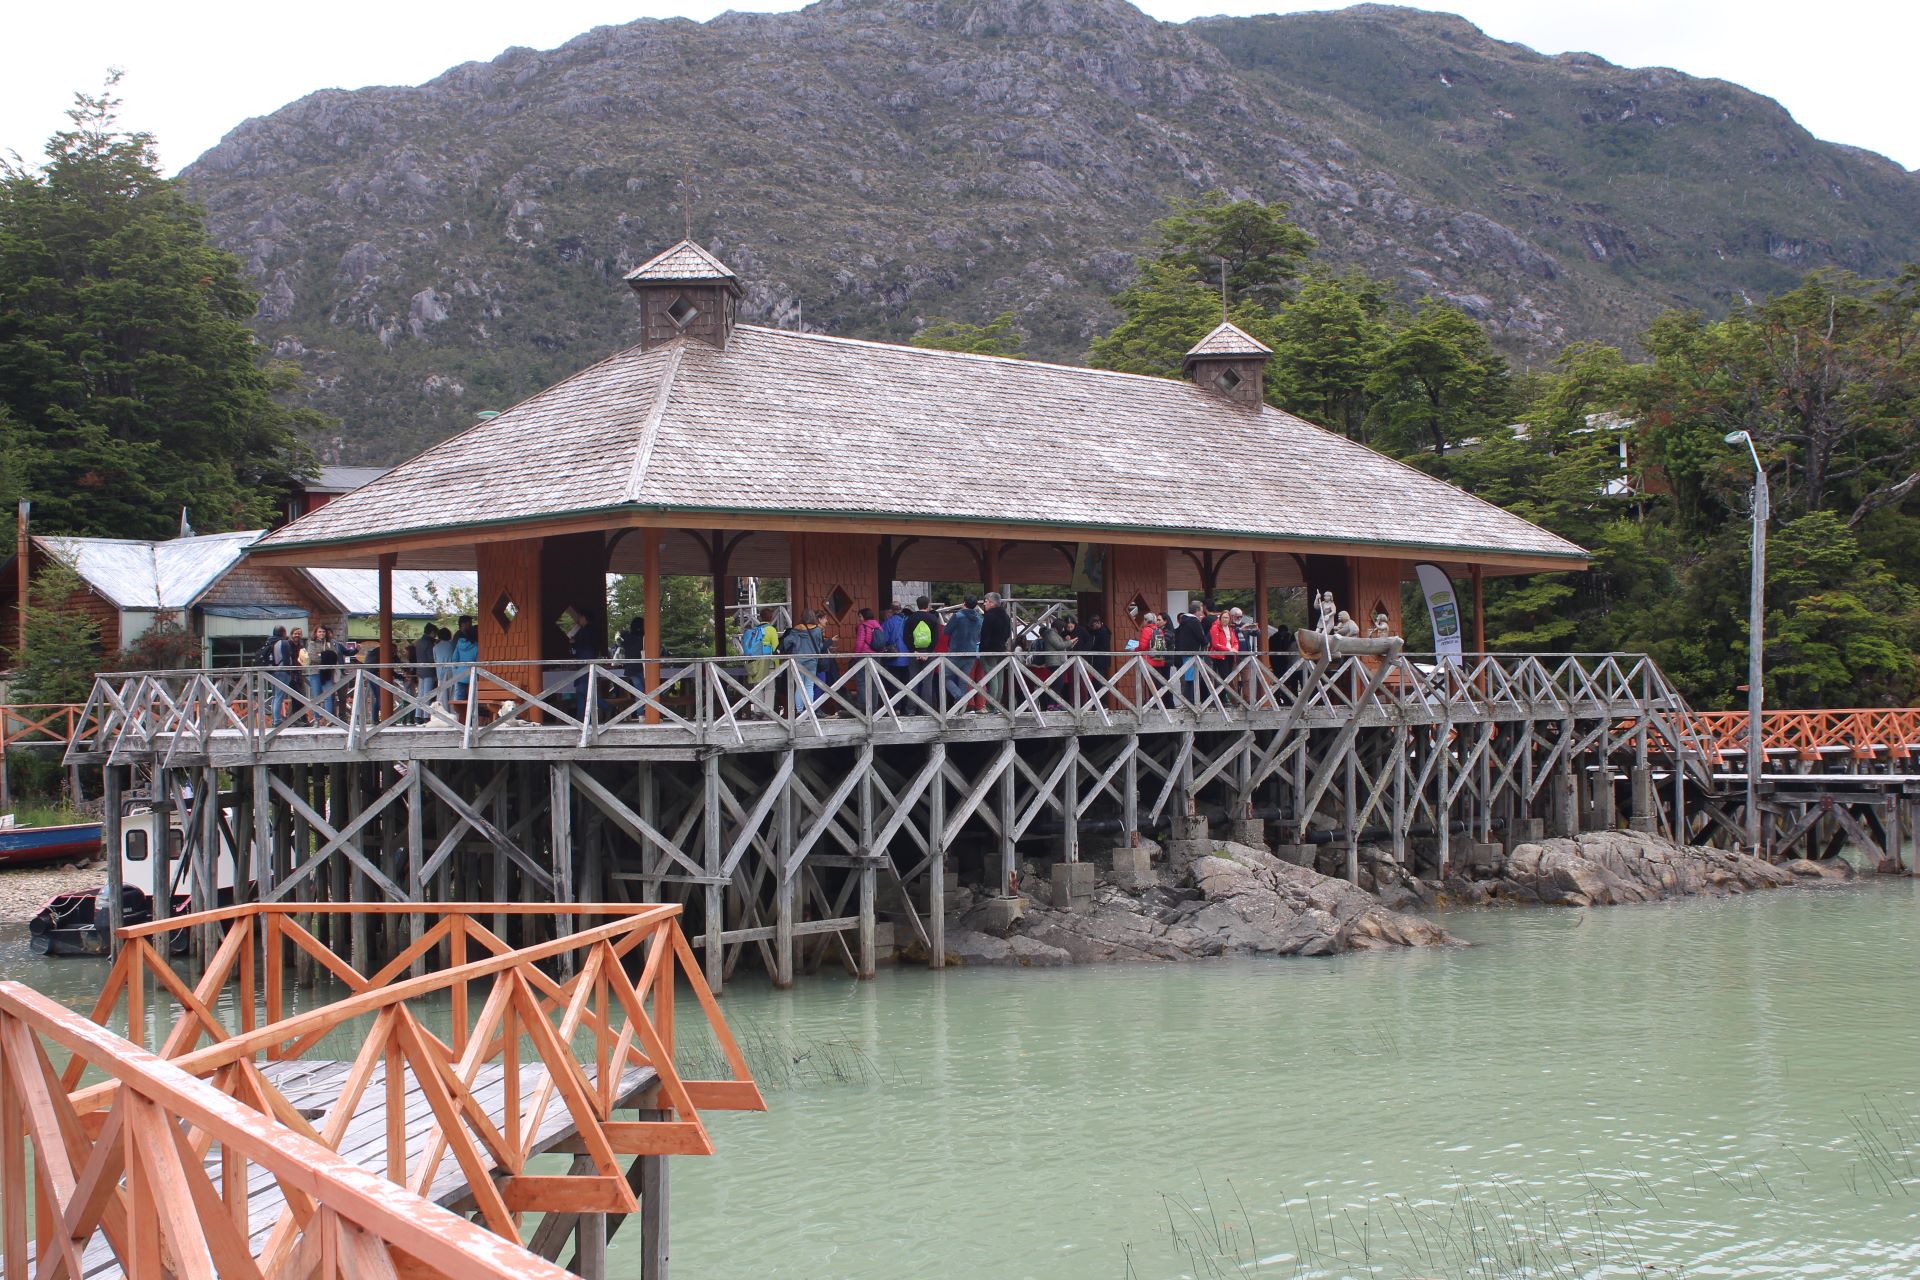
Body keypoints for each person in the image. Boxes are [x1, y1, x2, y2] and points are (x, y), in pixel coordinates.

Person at [778, 609, 831, 707]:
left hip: (798, 660)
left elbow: (786, 642)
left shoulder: (796, 630)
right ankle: (808, 710)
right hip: (812, 661)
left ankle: (799, 710)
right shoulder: (817, 630)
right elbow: (819, 646)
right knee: (809, 686)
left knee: (799, 686)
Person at [943, 594, 983, 705]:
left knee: (944, 676)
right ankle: (962, 706)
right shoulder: (979, 618)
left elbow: (946, 631)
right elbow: (980, 635)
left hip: (956, 651)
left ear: (964, 603)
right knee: (964, 680)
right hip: (971, 651)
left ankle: (959, 696)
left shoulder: (958, 616)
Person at [904, 594, 943, 703]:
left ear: (917, 605)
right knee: (927, 682)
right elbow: (935, 637)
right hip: (929, 653)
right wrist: (929, 652)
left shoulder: (911, 618)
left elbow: (906, 636)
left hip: (914, 652)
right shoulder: (933, 618)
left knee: (913, 681)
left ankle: (911, 709)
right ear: (928, 605)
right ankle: (926, 710)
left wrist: (913, 650)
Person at [979, 591, 1013, 708]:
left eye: (986, 602)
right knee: (999, 677)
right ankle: (997, 703)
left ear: (992, 603)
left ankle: (990, 704)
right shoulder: (1006, 616)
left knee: (991, 677)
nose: (985, 604)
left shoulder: (990, 616)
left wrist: (983, 650)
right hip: (1001, 649)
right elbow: (1008, 633)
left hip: (989, 650)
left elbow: (985, 635)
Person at [1172, 602, 1209, 705]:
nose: (1202, 613)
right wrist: (1206, 642)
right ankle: (1192, 701)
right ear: (1197, 611)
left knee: (1189, 677)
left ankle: (1188, 700)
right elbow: (1200, 636)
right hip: (1193, 653)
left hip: (1186, 653)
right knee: (1193, 677)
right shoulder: (1194, 621)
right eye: (1201, 611)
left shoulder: (1184, 621)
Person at [1033, 615, 1073, 709]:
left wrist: (1069, 643)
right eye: (1062, 627)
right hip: (1054, 662)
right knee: (1058, 684)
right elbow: (1059, 645)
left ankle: (1056, 703)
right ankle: (1051, 704)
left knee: (1059, 683)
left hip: (1057, 661)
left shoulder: (1054, 634)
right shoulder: (1051, 633)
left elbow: (1062, 645)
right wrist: (1070, 642)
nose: (1063, 629)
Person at [305, 625, 342, 722]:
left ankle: (328, 719)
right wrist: (326, 656)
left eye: (323, 632)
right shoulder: (312, 643)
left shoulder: (330, 643)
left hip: (327, 672)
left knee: (328, 696)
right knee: (316, 697)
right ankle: (316, 719)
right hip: (315, 672)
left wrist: (322, 655)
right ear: (316, 633)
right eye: (319, 632)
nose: (322, 634)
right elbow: (312, 657)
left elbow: (334, 656)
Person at [852, 606, 884, 710]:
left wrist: (855, 656)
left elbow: (860, 643)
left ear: (864, 616)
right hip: (876, 656)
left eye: (860, 616)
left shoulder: (863, 626)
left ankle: (864, 707)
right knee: (874, 682)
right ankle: (874, 707)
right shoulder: (878, 626)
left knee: (861, 682)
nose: (859, 619)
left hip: (864, 657)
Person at [270, 626, 302, 725]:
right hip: (283, 671)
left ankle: (274, 718)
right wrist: (290, 671)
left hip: (272, 671)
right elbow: (287, 658)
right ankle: (277, 720)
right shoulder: (284, 642)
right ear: (283, 633)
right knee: (279, 696)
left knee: (275, 696)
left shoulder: (270, 642)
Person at [452, 616, 479, 705]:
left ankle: (459, 717)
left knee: (459, 698)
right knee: (473, 699)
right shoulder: (476, 646)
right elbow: (477, 659)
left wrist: (457, 669)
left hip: (460, 674)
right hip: (472, 674)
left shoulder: (458, 642)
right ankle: (471, 718)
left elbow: (454, 659)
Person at [432, 626, 456, 707]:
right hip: (452, 672)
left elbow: (435, 660)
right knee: (452, 693)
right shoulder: (452, 645)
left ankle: (443, 712)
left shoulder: (435, 647)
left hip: (440, 672)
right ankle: (453, 711)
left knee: (442, 695)